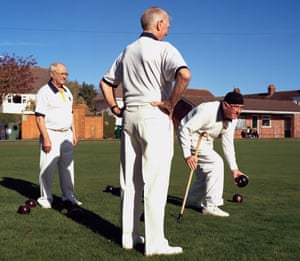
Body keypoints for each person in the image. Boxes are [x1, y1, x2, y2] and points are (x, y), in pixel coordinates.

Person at [100, 7, 191, 257]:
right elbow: (184, 75)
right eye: (168, 25)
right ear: (159, 24)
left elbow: (105, 83)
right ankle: (155, 243)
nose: (169, 29)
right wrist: (170, 103)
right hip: (154, 115)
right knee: (156, 182)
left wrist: (115, 108)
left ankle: (128, 238)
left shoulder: (126, 50)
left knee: (129, 181)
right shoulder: (165, 48)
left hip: (129, 117)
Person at [178, 90, 246, 217]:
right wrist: (187, 155)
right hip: (191, 135)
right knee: (216, 163)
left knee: (206, 173)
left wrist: (234, 169)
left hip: (207, 139)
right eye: (235, 107)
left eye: (241, 108)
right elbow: (186, 129)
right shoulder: (207, 110)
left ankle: (192, 200)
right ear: (225, 105)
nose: (238, 111)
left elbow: (228, 144)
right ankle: (212, 205)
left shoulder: (233, 118)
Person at [35, 62, 81, 209]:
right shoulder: (44, 92)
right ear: (52, 74)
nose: (65, 77)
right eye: (62, 74)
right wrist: (46, 138)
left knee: (68, 168)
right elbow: (39, 117)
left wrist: (74, 131)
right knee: (47, 168)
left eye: (66, 74)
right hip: (51, 134)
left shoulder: (67, 91)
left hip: (66, 134)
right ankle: (45, 198)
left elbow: (71, 113)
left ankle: (69, 197)